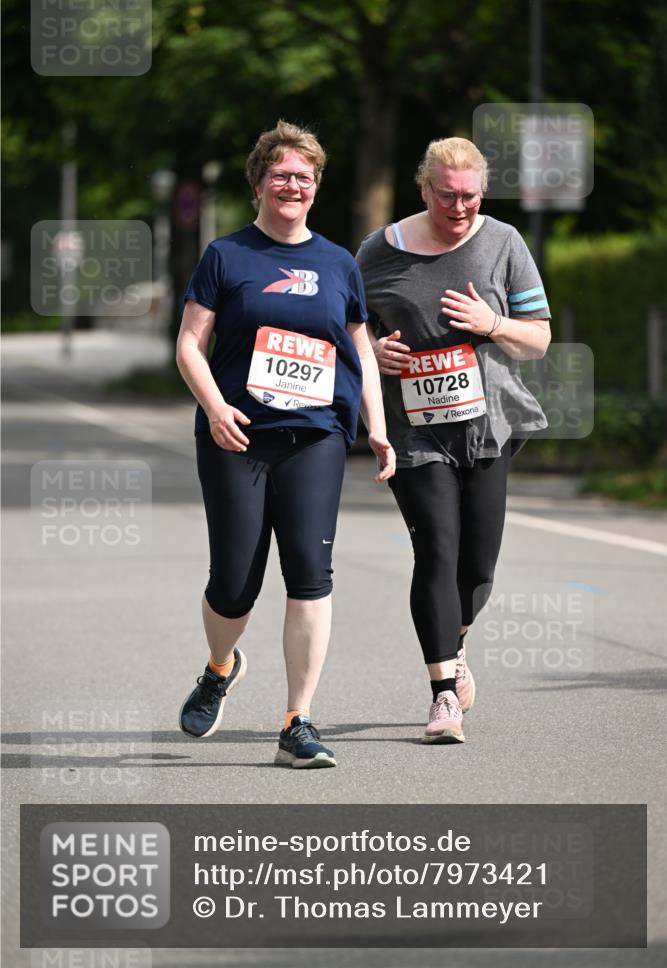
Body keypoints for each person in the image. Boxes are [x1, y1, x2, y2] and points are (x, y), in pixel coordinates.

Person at [175, 121, 394, 769]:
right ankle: (220, 667)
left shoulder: (337, 263)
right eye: (281, 175)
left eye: (304, 176)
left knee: (309, 574)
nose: (292, 184)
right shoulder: (226, 255)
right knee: (234, 583)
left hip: (314, 437)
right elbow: (189, 344)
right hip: (235, 436)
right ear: (259, 184)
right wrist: (215, 407)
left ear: (316, 187)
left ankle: (297, 722)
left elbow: (358, 345)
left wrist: (376, 425)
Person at [356, 137, 551, 745]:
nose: (459, 206)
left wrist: (491, 324)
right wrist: (374, 351)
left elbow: (539, 338)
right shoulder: (379, 250)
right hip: (414, 430)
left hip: (487, 424)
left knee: (477, 564)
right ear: (424, 189)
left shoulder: (504, 243)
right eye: (447, 195)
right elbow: (349, 328)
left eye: (470, 196)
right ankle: (443, 694)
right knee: (437, 549)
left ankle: (454, 641)